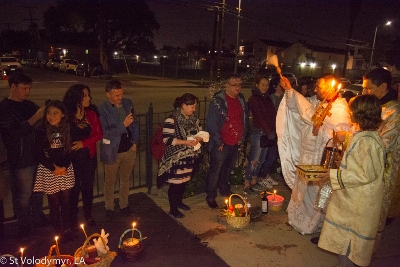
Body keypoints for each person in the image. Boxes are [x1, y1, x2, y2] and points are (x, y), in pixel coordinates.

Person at [277, 74, 352, 235]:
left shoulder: (340, 109)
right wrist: (289, 90)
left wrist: (322, 128)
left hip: (321, 159)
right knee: (302, 186)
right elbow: (298, 107)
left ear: (330, 88)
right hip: (307, 155)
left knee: (314, 191)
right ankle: (297, 219)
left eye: (319, 86)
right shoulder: (317, 102)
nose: (315, 89)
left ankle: (312, 224)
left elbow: (341, 139)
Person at [318, 94, 385, 267]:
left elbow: (366, 174)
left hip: (359, 202)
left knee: (350, 244)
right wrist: (345, 164)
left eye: (352, 111)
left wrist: (334, 175)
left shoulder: (368, 141)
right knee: (345, 244)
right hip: (355, 197)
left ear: (361, 114)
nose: (350, 114)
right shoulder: (365, 136)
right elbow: (362, 166)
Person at [0, 72, 48, 237]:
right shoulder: (5, 108)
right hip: (20, 159)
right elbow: (13, 135)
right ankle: (24, 224)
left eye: (29, 88)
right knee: (24, 194)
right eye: (24, 88)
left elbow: (41, 126)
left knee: (37, 191)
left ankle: (38, 217)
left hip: (36, 155)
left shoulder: (29, 105)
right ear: (13, 87)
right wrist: (35, 118)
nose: (27, 92)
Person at [33, 100, 75, 242]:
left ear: (63, 114)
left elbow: (70, 151)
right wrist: (54, 168)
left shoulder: (68, 128)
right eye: (49, 113)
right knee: (54, 203)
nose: (51, 116)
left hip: (65, 169)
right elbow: (38, 153)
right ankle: (58, 231)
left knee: (66, 201)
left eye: (55, 113)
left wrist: (64, 167)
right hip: (49, 170)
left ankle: (68, 229)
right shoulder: (41, 130)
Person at [157, 93, 204, 218]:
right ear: (183, 105)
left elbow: (200, 131)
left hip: (189, 156)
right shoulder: (171, 120)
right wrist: (186, 142)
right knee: (176, 184)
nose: (194, 110)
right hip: (175, 159)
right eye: (191, 107)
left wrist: (198, 139)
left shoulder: (193, 119)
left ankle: (178, 202)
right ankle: (173, 208)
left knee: (183, 182)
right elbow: (167, 139)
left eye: (194, 107)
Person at [205, 74, 249, 208]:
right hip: (221, 144)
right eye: (234, 85)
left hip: (235, 142)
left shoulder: (241, 99)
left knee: (227, 168)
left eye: (239, 84)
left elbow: (244, 119)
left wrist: (242, 137)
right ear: (226, 85)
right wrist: (218, 141)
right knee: (215, 170)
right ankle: (211, 196)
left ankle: (224, 189)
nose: (238, 88)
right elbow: (212, 124)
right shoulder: (218, 102)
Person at [63, 84, 103, 229]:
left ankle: (88, 215)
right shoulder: (66, 115)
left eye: (88, 95)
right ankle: (72, 218)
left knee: (87, 188)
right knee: (73, 190)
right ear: (76, 98)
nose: (88, 98)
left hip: (88, 157)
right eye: (85, 96)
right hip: (71, 159)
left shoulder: (91, 114)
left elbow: (99, 134)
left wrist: (84, 143)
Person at [98, 79, 139, 220]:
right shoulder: (102, 108)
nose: (120, 98)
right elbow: (105, 132)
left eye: (121, 94)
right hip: (112, 150)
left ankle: (124, 205)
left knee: (125, 179)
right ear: (108, 94)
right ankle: (109, 207)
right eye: (117, 95)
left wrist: (134, 141)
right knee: (110, 181)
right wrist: (123, 125)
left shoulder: (127, 103)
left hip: (128, 149)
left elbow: (135, 124)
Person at [243, 75, 276, 196]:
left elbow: (272, 115)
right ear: (257, 85)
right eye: (262, 84)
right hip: (259, 133)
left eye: (267, 85)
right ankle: (247, 183)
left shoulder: (267, 98)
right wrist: (269, 131)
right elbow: (259, 117)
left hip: (268, 133)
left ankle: (254, 180)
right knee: (254, 159)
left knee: (261, 159)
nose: (265, 87)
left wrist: (273, 129)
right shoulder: (254, 99)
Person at [258, 77, 284, 184]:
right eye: (280, 85)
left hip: (279, 130)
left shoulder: (283, 98)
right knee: (268, 155)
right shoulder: (271, 98)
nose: (282, 88)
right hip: (271, 131)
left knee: (273, 155)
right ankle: (262, 176)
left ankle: (265, 174)